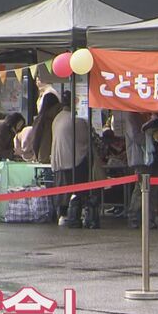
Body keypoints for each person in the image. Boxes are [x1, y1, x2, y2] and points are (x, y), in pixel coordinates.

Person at [51, 91, 91, 227]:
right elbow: (85, 139)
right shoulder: (76, 119)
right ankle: (75, 215)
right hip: (73, 161)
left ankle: (62, 214)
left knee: (62, 191)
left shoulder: (58, 117)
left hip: (59, 160)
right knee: (77, 190)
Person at [120, 110, 158, 229]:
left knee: (151, 189)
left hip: (148, 156)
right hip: (139, 156)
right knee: (140, 189)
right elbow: (135, 136)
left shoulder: (143, 115)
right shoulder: (131, 115)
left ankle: (149, 218)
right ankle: (134, 217)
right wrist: (150, 135)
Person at [29, 92, 61, 163]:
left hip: (43, 155)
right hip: (53, 156)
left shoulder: (39, 119)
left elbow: (35, 139)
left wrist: (36, 154)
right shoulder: (52, 120)